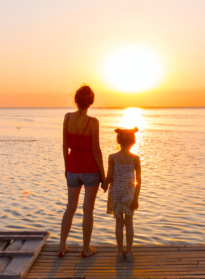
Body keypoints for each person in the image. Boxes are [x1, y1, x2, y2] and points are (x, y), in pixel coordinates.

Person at [59, 85, 106, 258]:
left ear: (76, 100)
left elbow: (65, 145)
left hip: (72, 167)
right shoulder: (93, 122)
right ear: (90, 102)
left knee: (70, 207)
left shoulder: (67, 118)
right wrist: (103, 175)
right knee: (88, 210)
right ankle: (86, 249)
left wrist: (67, 167)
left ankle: (61, 247)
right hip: (90, 169)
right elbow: (97, 151)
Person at [102, 127, 142, 262]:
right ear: (133, 141)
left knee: (119, 223)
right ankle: (129, 253)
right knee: (129, 222)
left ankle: (120, 253)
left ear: (118, 140)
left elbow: (110, 176)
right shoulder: (135, 159)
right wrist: (136, 198)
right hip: (130, 193)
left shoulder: (112, 157)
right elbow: (139, 181)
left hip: (116, 192)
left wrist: (104, 184)